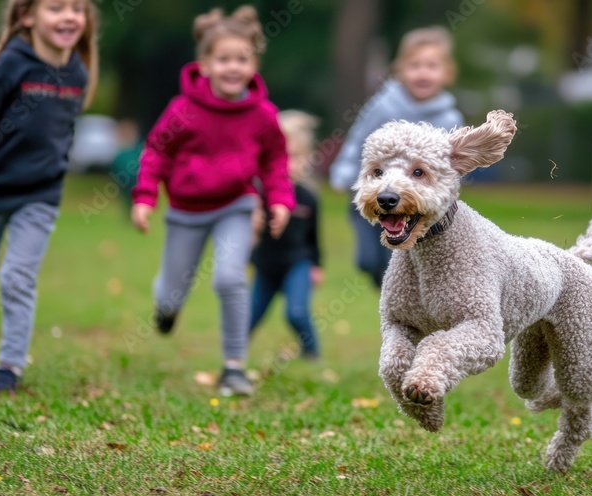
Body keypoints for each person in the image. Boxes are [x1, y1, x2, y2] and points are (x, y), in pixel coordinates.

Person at [131, 6, 295, 397]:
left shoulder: (262, 115)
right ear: (204, 64)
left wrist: (280, 200)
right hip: (185, 212)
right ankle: (166, 308)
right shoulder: (182, 110)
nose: (232, 67)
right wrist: (144, 197)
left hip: (235, 206)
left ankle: (234, 366)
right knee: (172, 292)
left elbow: (275, 161)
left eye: (242, 59)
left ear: (253, 63)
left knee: (229, 278)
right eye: (223, 59)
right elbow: (156, 151)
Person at [0, 0, 99, 392]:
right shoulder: (11, 65)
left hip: (40, 196)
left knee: (18, 277)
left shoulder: (77, 71)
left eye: (77, 8)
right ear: (27, 16)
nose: (69, 16)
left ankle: (8, 369)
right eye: (56, 7)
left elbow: (63, 132)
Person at [329, 26, 463, 288]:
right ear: (400, 70)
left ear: (447, 72)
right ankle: (389, 289)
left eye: (431, 65)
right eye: (415, 65)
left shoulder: (450, 118)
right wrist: (344, 170)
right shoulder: (384, 104)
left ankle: (400, 296)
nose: (422, 72)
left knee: (401, 258)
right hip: (372, 193)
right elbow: (358, 138)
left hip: (414, 207)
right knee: (368, 260)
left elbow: (451, 166)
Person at [250, 110, 323, 360]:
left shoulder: (309, 198)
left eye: (294, 157)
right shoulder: (256, 196)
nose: (286, 164)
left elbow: (314, 236)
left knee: (296, 313)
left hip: (297, 264)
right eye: (279, 157)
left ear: (307, 159)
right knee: (248, 318)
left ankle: (311, 353)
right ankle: (233, 357)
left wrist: (317, 266)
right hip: (265, 267)